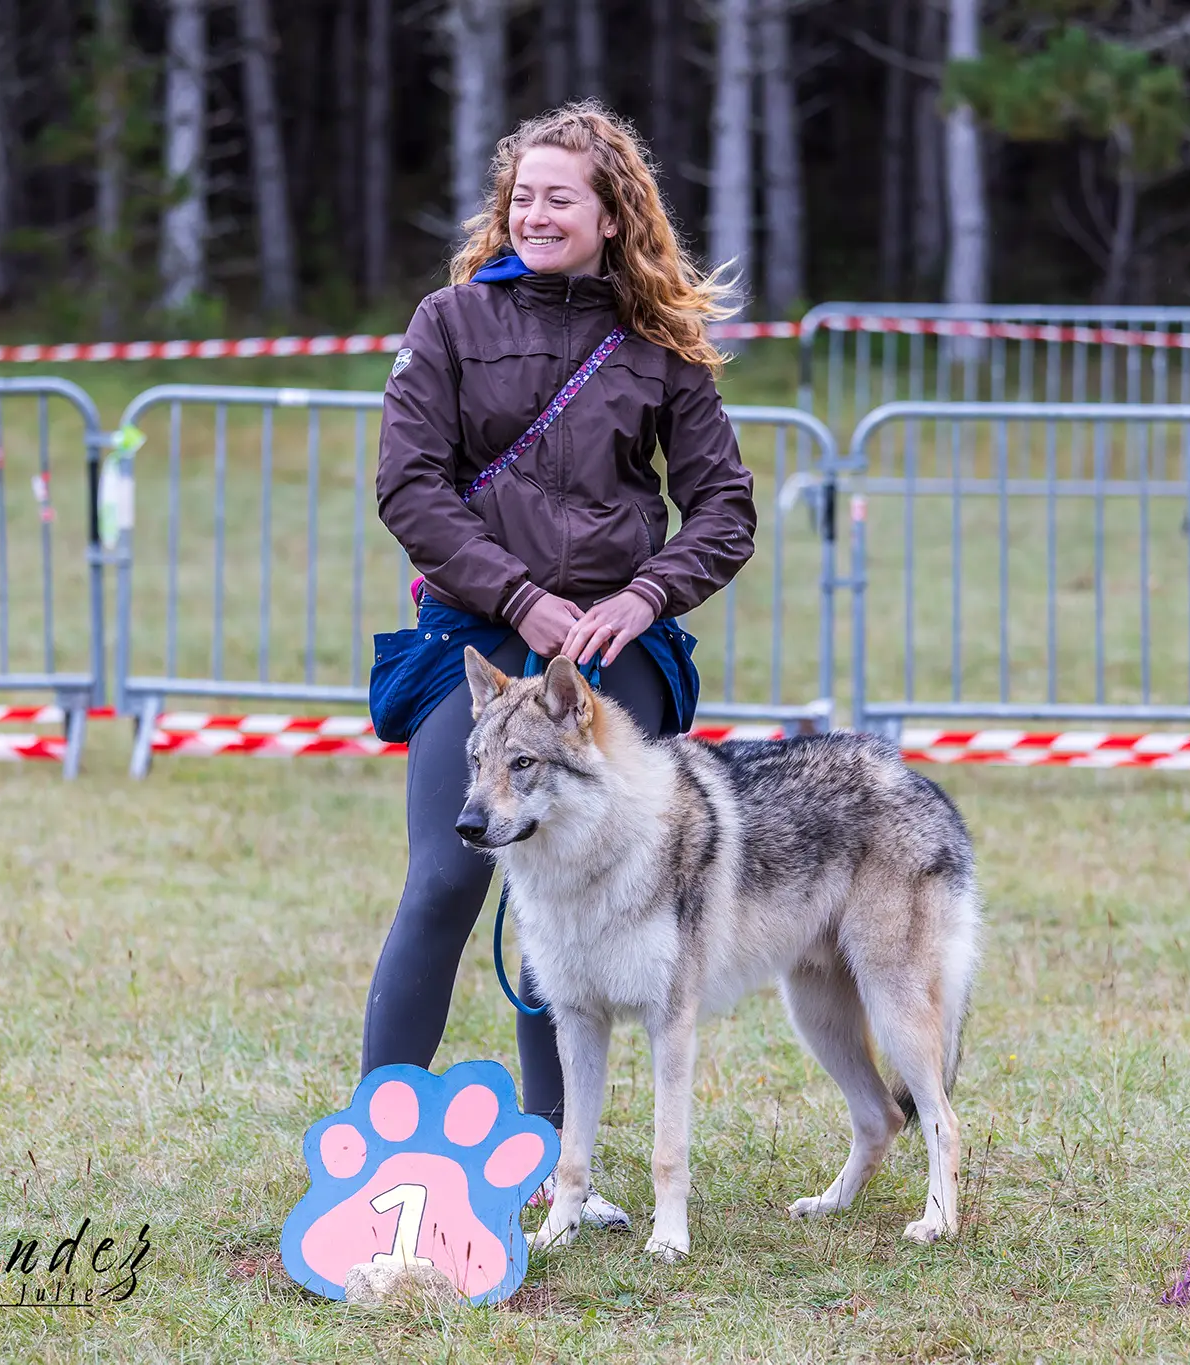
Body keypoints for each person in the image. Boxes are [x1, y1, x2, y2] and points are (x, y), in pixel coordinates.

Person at [365, 101, 757, 1222]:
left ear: (608, 214)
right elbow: (410, 488)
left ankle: (555, 1171)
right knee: (448, 877)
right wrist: (518, 599)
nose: (535, 214)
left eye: (560, 197)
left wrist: (642, 596)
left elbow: (723, 507)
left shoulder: (655, 344)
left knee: (580, 894)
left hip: (601, 655)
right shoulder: (445, 322)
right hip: (475, 638)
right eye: (521, 196)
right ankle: (371, 1147)